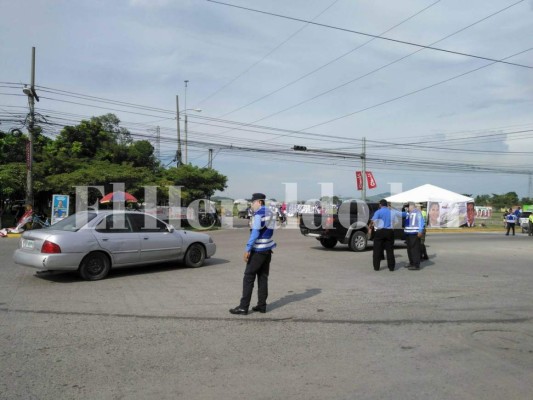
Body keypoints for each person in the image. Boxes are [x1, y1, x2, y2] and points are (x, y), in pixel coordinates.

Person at [230, 193, 276, 315]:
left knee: (248, 277)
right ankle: (262, 306)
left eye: (253, 202)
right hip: (268, 249)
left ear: (259, 202)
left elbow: (255, 233)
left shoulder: (259, 214)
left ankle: (243, 307)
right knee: (263, 277)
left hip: (258, 250)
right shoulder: (271, 212)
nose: (251, 204)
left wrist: (248, 249)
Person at [369, 199, 396, 271]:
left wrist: (370, 228)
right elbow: (396, 221)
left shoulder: (378, 212)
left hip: (380, 231)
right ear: (387, 205)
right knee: (390, 250)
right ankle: (391, 267)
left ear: (380, 205)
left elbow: (373, 221)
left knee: (377, 250)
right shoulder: (391, 212)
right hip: (389, 231)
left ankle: (376, 267)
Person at [403, 202, 425, 270]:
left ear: (411, 206)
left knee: (415, 249)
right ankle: (411, 262)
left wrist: (420, 231)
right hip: (408, 233)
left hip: (414, 233)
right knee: (409, 249)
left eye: (407, 206)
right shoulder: (408, 213)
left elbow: (421, 221)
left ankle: (416, 265)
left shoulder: (417, 212)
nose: (406, 208)